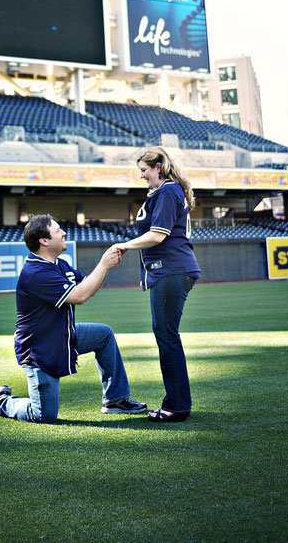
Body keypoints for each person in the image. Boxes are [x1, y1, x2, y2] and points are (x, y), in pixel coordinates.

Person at [0, 213, 146, 423]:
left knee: (103, 335)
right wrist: (104, 264)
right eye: (58, 230)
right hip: (40, 349)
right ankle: (0, 402)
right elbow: (80, 296)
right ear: (44, 240)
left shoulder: (59, 264)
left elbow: (88, 286)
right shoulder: (35, 272)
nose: (64, 232)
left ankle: (115, 400)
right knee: (43, 415)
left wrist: (108, 265)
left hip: (63, 336)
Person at [114, 147, 200, 423]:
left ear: (159, 166)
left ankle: (176, 405)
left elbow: (158, 235)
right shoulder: (163, 193)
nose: (142, 176)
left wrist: (123, 245)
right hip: (166, 272)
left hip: (173, 270)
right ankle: (178, 402)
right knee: (166, 335)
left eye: (144, 170)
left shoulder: (168, 191)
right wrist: (146, 271)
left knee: (166, 336)